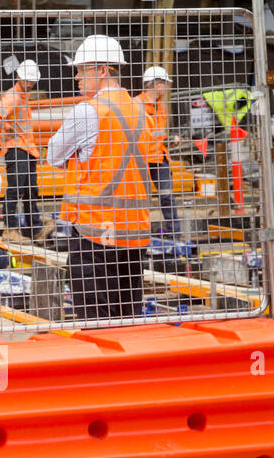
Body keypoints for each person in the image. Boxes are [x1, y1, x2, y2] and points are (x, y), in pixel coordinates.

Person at [46, 35, 151, 320]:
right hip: (133, 233)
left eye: (82, 69)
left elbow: (53, 156)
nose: (77, 77)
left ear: (103, 70)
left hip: (95, 232)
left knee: (96, 322)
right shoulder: (140, 109)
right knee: (127, 318)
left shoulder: (88, 111)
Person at [0, 59, 42, 236]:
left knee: (30, 191)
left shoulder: (23, 96)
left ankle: (34, 227)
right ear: (19, 77)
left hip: (26, 149)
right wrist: (7, 127)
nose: (30, 84)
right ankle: (10, 228)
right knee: (15, 190)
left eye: (32, 81)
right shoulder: (13, 96)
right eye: (27, 80)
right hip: (16, 149)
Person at [138, 66, 180, 239]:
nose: (167, 88)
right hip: (142, 159)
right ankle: (139, 233)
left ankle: (174, 233)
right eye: (165, 84)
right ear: (156, 84)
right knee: (140, 199)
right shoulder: (136, 104)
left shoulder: (160, 106)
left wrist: (169, 140)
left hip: (159, 156)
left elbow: (157, 133)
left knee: (167, 196)